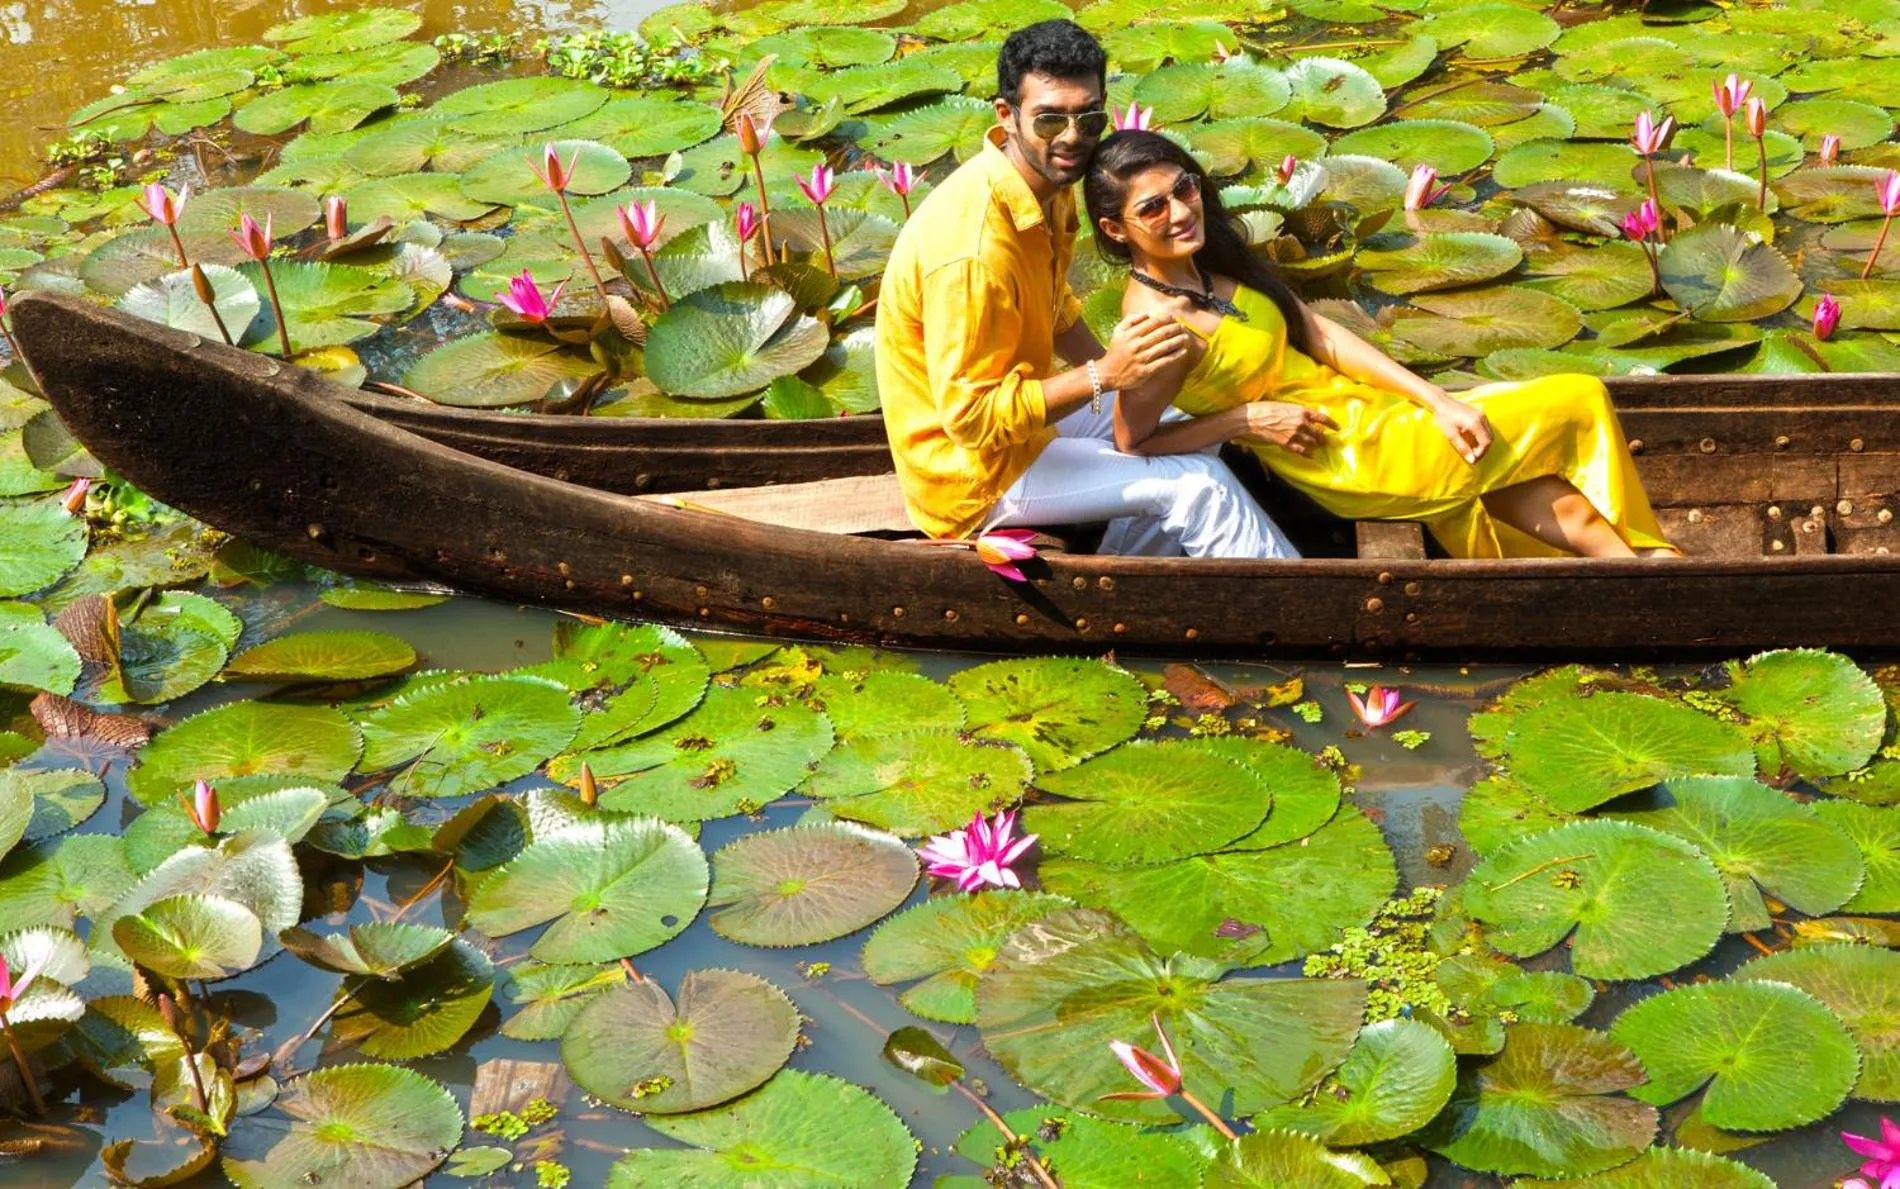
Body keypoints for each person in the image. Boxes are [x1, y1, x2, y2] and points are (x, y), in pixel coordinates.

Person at [1081, 130, 1680, 560]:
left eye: (1183, 188)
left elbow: (1318, 332)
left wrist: (1436, 400)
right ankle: (1654, 571)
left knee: (1555, 503)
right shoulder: (1156, 328)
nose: (1181, 210)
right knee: (1576, 394)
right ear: (1114, 229)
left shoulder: (1212, 263)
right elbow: (1136, 443)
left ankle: (1644, 569)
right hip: (1345, 456)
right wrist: (1242, 420)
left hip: (1374, 412)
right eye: (1152, 208)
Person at [874, 21, 1300, 559]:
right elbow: (971, 421)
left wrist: (1133, 384)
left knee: (1184, 417)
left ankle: (1127, 565)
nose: (1073, 136)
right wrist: (1107, 374)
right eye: (1050, 119)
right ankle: (1313, 622)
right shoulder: (976, 251)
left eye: (1089, 116)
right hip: (974, 473)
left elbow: (1057, 313)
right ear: (1006, 116)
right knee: (1201, 484)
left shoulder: (1044, 187)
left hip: (1023, 427)